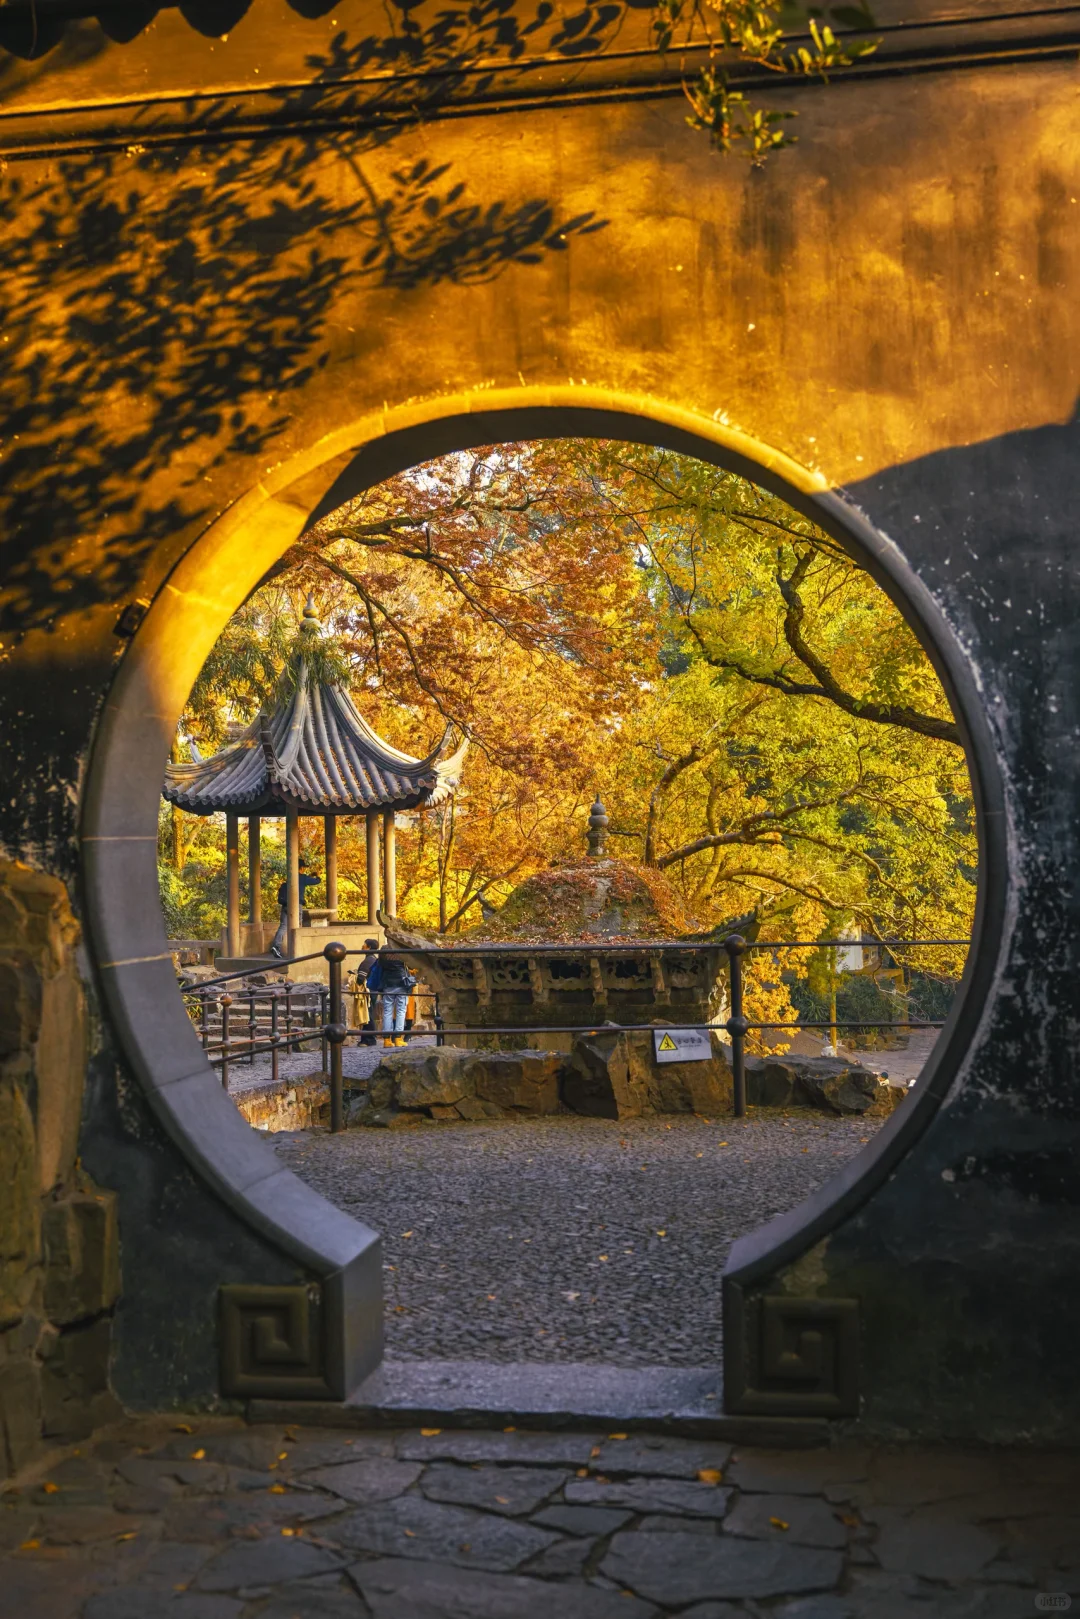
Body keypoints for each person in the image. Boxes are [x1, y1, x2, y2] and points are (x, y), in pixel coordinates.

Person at [269, 858, 320, 957]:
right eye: (304, 868)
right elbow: (317, 881)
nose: (304, 870)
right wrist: (317, 875)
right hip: (296, 905)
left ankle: (276, 946)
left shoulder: (290, 877)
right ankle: (296, 949)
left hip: (285, 905)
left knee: (283, 926)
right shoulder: (303, 878)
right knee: (298, 924)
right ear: (301, 868)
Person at [366, 947, 417, 1046]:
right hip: (401, 983)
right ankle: (398, 1038)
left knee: (387, 1012)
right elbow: (411, 965)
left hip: (387, 985)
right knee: (401, 1011)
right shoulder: (401, 952)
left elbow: (379, 965)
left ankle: (387, 1040)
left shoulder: (384, 951)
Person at [355, 937, 380, 1046]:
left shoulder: (368, 960)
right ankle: (365, 1039)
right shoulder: (373, 959)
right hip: (373, 989)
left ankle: (370, 1039)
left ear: (369, 947)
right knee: (368, 1014)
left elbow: (361, 978)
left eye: (364, 945)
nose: (362, 946)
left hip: (368, 990)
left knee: (367, 1014)